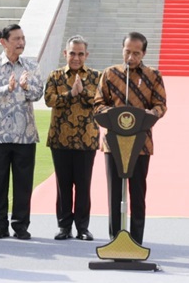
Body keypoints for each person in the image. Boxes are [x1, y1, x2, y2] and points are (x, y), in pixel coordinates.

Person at [93, 32, 167, 244]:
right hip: (113, 143)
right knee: (114, 193)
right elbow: (98, 104)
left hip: (141, 143)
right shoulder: (109, 74)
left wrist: (152, 114)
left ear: (143, 53)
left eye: (136, 53)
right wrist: (111, 113)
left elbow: (161, 105)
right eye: (127, 52)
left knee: (137, 193)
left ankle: (136, 240)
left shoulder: (153, 75)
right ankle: (115, 239)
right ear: (122, 50)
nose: (131, 57)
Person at [0, 24, 42, 240]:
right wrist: (8, 87)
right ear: (3, 42)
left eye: (23, 38)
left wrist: (25, 88)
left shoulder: (31, 65)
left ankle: (20, 225)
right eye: (16, 39)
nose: (21, 43)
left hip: (24, 133)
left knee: (24, 182)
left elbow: (38, 93)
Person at [43, 35, 101, 241]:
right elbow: (49, 99)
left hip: (87, 140)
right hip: (61, 139)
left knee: (84, 185)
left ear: (86, 55)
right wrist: (70, 94)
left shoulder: (96, 76)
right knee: (63, 185)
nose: (76, 58)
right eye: (72, 53)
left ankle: (83, 228)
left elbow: (99, 101)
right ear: (65, 53)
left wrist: (82, 92)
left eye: (80, 54)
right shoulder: (55, 76)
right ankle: (64, 226)